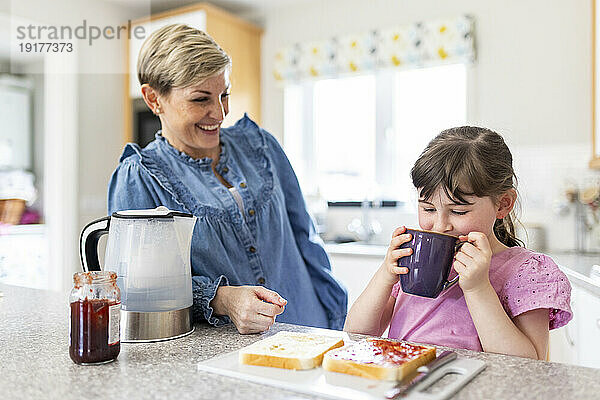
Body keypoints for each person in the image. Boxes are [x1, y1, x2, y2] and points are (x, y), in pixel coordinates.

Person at [108, 24, 347, 334]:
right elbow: (139, 289)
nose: (219, 113)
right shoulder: (139, 178)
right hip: (229, 353)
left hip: (309, 328)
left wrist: (335, 316)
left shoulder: (260, 145)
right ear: (154, 99)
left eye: (224, 95)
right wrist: (221, 298)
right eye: (200, 99)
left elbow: (305, 236)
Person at [344, 126, 572, 359]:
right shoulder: (411, 264)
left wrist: (478, 288)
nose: (440, 225)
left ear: (503, 204)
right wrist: (385, 274)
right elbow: (356, 334)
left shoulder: (527, 272)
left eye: (458, 211)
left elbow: (527, 364)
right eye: (428, 208)